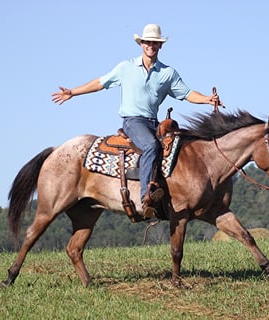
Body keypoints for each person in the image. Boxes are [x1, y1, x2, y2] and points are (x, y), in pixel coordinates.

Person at [52, 23, 221, 219]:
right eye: (148, 42)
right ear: (141, 44)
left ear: (160, 46)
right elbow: (100, 83)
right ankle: (146, 196)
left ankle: (171, 193)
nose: (151, 45)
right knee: (150, 146)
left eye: (155, 43)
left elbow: (188, 93)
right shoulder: (126, 67)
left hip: (154, 123)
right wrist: (73, 92)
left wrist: (207, 99)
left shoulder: (167, 73)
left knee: (179, 148)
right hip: (133, 121)